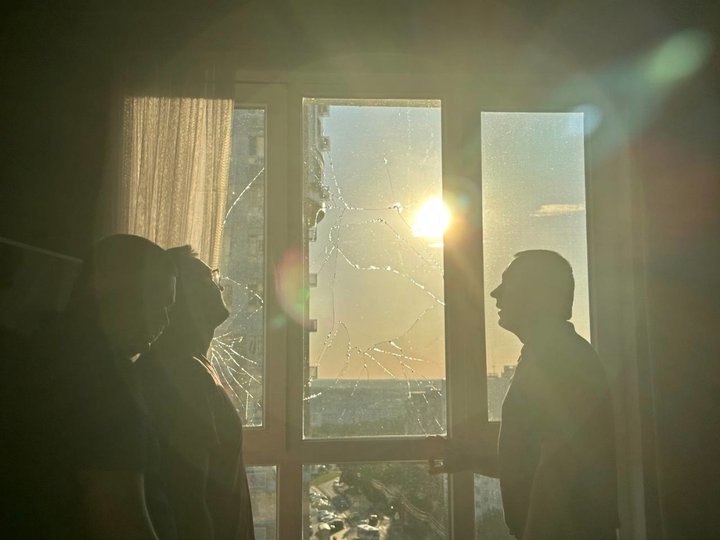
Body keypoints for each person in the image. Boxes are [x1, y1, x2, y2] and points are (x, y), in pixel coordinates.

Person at [430, 250, 618, 539]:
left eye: (507, 284)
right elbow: (533, 460)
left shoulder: (559, 359)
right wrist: (470, 461)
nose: (495, 294)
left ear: (537, 294)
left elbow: (557, 471)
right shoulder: (552, 354)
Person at [15, 234, 178, 540]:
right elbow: (120, 520)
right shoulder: (105, 380)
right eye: (157, 299)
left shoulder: (39, 350)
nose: (165, 319)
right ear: (104, 285)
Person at [137, 245, 255, 540]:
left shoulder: (192, 364)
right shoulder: (182, 373)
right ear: (180, 295)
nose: (220, 286)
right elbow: (188, 497)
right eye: (208, 279)